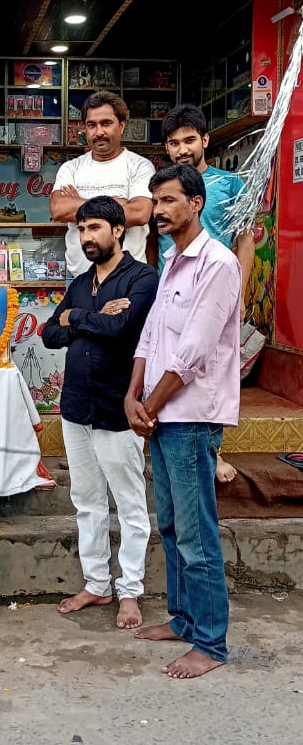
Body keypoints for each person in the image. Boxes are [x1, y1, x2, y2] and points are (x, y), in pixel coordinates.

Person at [125, 163, 242, 679]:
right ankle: (183, 618)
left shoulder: (217, 264)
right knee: (171, 526)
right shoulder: (172, 260)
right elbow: (151, 336)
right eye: (156, 201)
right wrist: (132, 394)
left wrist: (148, 406)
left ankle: (210, 642)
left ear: (196, 204)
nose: (159, 210)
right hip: (160, 414)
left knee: (196, 535)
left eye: (169, 200)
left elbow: (193, 351)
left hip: (190, 417)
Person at [42, 196, 158, 628]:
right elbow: (49, 334)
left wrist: (75, 318)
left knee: (129, 504)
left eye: (94, 228)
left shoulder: (142, 278)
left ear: (118, 230)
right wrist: (87, 315)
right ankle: (96, 584)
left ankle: (130, 591)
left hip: (116, 407)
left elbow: (121, 329)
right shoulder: (79, 283)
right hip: (76, 406)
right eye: (81, 230)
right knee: (86, 501)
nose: (86, 237)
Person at [153, 103, 255, 485]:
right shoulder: (165, 190)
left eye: (189, 140)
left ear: (205, 140)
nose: (182, 149)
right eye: (174, 142)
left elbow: (245, 241)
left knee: (210, 369)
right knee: (170, 364)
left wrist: (239, 293)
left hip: (214, 289)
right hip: (172, 287)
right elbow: (154, 242)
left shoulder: (230, 185)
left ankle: (213, 451)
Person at [50, 90, 155, 277]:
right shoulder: (70, 168)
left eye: (106, 123)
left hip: (128, 278)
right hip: (79, 277)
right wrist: (119, 204)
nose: (99, 132)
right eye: (92, 125)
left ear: (121, 126)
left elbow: (140, 213)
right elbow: (59, 209)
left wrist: (79, 203)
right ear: (85, 129)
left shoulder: (140, 166)